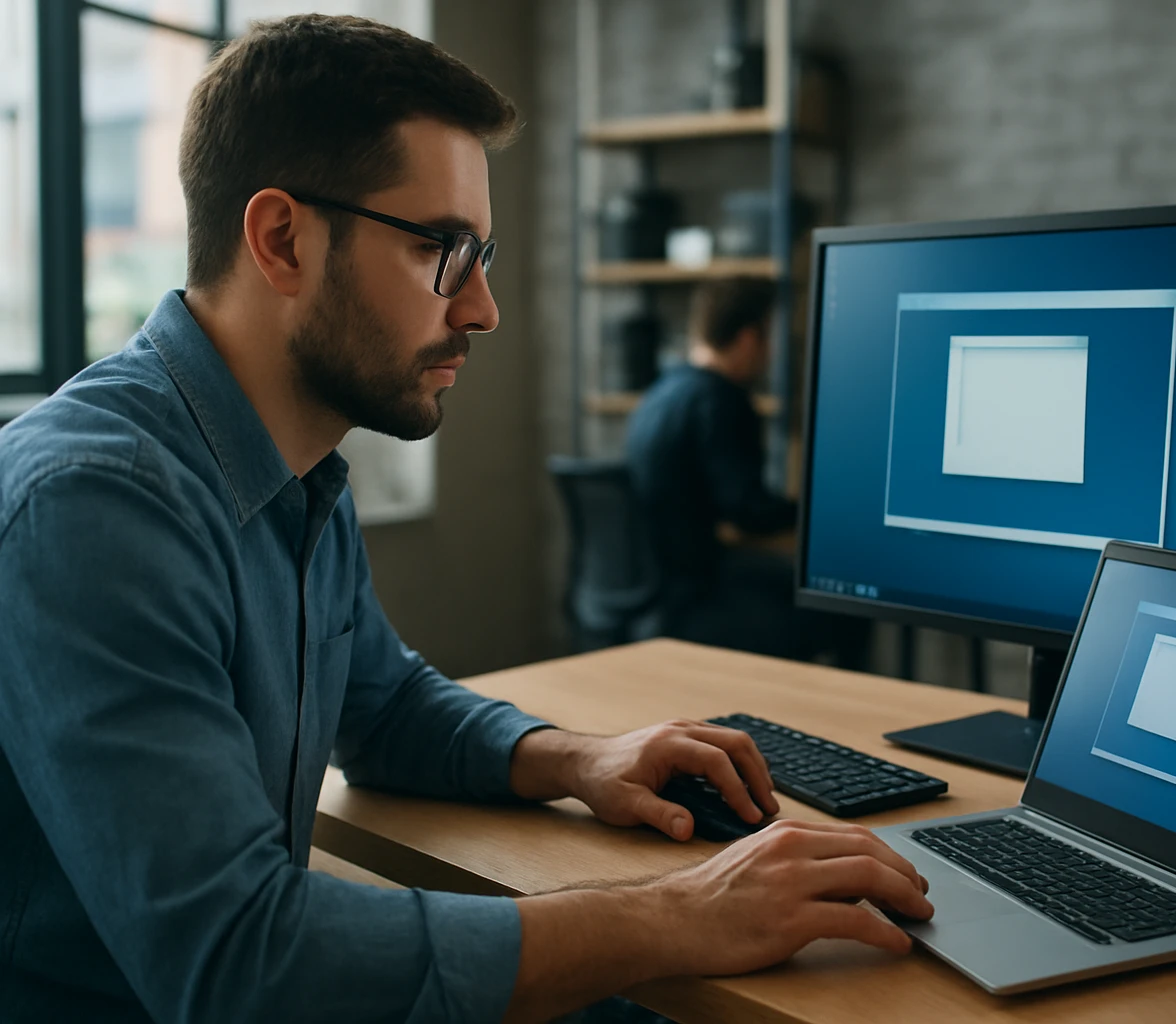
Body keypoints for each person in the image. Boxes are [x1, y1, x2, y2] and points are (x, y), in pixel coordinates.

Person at [0, 16, 930, 1023]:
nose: (481, 307)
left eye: (481, 253)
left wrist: (581, 756)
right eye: (442, 251)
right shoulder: (94, 505)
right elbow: (241, 963)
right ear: (281, 240)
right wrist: (676, 914)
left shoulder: (294, 466)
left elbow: (385, 706)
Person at [626, 278, 867, 665]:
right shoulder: (721, 400)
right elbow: (748, 510)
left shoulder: (660, 394)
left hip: (659, 591)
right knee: (844, 603)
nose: (770, 353)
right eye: (769, 339)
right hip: (698, 597)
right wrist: (821, 514)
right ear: (748, 338)